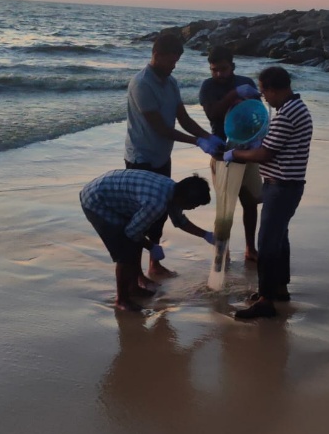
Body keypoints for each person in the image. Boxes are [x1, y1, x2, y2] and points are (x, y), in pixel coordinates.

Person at [124, 33, 223, 278]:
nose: (174, 66)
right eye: (171, 60)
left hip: (161, 156)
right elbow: (160, 128)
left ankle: (153, 265)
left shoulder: (171, 83)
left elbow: (184, 119)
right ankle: (136, 273)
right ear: (156, 55)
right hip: (141, 158)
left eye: (177, 61)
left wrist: (207, 136)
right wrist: (197, 142)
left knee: (161, 212)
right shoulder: (141, 84)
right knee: (141, 216)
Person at [223, 66, 313, 319]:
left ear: (275, 89)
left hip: (282, 185)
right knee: (279, 237)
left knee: (268, 242)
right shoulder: (296, 108)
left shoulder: (286, 114)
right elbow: (272, 146)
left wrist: (236, 153)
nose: (264, 98)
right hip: (289, 183)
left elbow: (265, 153)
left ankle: (265, 300)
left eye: (264, 92)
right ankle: (279, 288)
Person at [80, 169, 214, 312]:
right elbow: (131, 232)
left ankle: (134, 287)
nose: (193, 208)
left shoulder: (172, 189)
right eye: (194, 205)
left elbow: (179, 221)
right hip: (96, 201)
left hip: (113, 194)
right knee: (125, 251)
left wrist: (206, 235)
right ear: (184, 198)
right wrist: (151, 247)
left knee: (135, 242)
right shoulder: (156, 203)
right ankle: (121, 300)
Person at [198, 45, 263, 261]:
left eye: (223, 69)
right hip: (221, 151)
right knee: (225, 206)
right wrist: (234, 95)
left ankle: (250, 248)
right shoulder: (207, 87)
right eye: (214, 70)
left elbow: (259, 114)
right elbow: (213, 113)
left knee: (250, 201)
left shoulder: (247, 83)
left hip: (248, 149)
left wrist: (258, 139)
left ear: (232, 66)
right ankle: (222, 251)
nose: (218, 74)